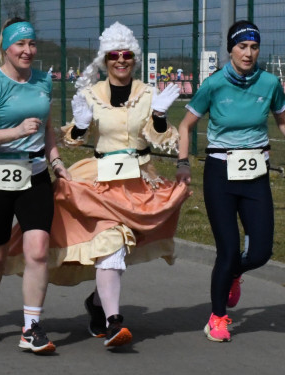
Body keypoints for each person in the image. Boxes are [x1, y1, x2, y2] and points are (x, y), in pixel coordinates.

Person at [50, 22, 189, 347]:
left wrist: (157, 116)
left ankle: (97, 305)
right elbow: (70, 139)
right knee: (111, 243)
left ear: (134, 57)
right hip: (100, 180)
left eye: (127, 54)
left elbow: (161, 137)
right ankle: (114, 322)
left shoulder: (148, 93)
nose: (121, 60)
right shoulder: (91, 94)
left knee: (122, 249)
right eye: (114, 55)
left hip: (139, 180)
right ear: (105, 59)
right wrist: (80, 126)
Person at [175, 20, 285, 342]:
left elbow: (283, 119)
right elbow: (185, 126)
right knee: (228, 248)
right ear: (230, 49)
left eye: (254, 47)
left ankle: (235, 274)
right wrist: (183, 163)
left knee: (261, 251)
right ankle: (218, 317)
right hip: (220, 173)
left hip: (255, 174)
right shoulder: (213, 85)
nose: (248, 53)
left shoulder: (269, 83)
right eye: (242, 47)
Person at [0, 18, 69, 355]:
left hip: (35, 175)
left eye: (32, 44)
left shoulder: (43, 81)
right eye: (20, 45)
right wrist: (16, 132)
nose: (27, 51)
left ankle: (31, 327)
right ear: (5, 48)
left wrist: (56, 161)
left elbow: (47, 128)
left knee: (37, 251)